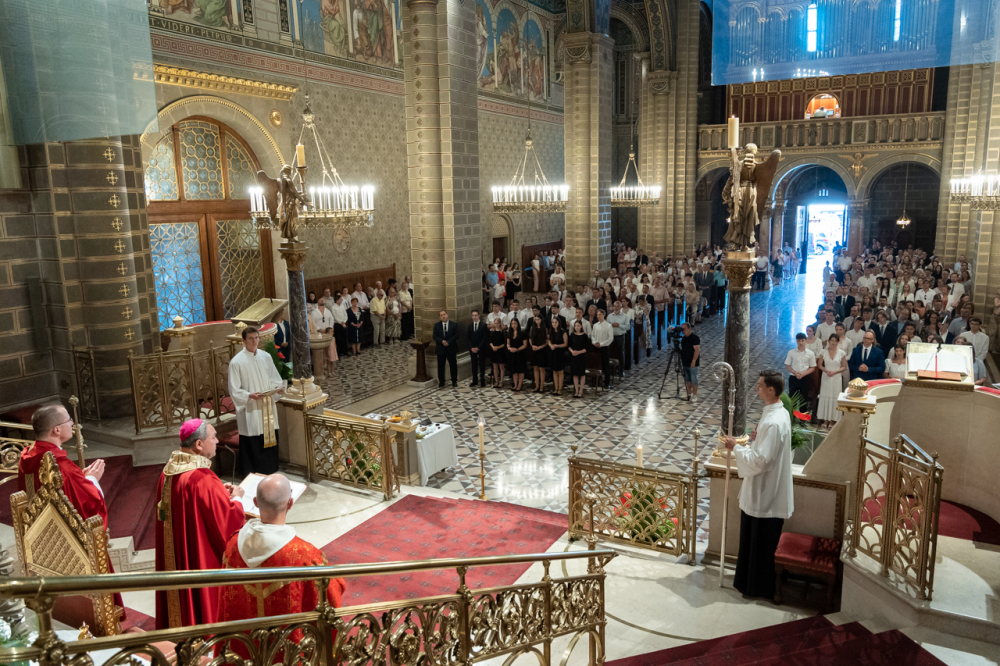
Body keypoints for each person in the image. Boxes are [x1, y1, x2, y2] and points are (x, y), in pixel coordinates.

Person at [217, 474, 346, 659]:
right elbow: (330, 595)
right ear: (290, 503)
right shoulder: (304, 555)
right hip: (286, 653)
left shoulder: (233, 546)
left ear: (255, 502)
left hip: (243, 650)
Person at [155, 419, 246, 628]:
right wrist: (237, 499)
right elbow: (227, 520)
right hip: (198, 554)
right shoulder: (202, 478)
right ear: (198, 444)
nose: (217, 441)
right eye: (213, 437)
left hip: (176, 554)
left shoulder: (167, 472)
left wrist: (219, 493)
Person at [723, 370, 794, 600]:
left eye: (760, 385)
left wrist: (736, 447)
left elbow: (762, 461)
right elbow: (767, 449)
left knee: (759, 544)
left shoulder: (773, 422)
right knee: (757, 542)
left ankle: (756, 587)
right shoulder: (778, 412)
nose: (757, 389)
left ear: (771, 390)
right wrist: (755, 439)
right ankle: (750, 584)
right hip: (767, 489)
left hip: (765, 493)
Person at [229, 327, 285, 475]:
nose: (254, 341)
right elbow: (234, 389)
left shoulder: (266, 356)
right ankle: (252, 473)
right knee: (253, 437)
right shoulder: (237, 362)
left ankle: (270, 469)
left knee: (269, 434)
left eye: (256, 338)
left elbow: (274, 378)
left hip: (267, 405)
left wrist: (277, 389)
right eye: (250, 338)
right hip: (251, 408)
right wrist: (249, 395)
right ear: (243, 340)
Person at [816, 334, 847, 428]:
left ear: (838, 342)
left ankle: (833, 420)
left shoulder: (841, 353)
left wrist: (835, 372)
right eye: (832, 340)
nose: (833, 342)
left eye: (835, 341)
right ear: (828, 341)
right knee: (826, 396)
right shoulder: (823, 352)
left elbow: (844, 367)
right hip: (826, 376)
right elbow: (820, 365)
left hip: (836, 377)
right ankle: (825, 420)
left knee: (834, 397)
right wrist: (826, 371)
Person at [784, 333, 816, 404]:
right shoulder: (791, 352)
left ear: (806, 341)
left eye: (802, 341)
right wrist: (795, 373)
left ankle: (803, 411)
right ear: (796, 341)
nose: (801, 343)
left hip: (805, 378)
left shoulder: (810, 353)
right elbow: (787, 366)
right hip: (793, 377)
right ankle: (792, 411)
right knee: (792, 399)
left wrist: (804, 374)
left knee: (804, 399)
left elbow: (812, 367)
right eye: (799, 341)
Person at [433, 310, 459, 388]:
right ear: (439, 317)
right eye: (441, 315)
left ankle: (454, 381)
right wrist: (442, 341)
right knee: (441, 366)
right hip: (441, 348)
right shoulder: (436, 325)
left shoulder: (454, 324)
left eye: (444, 314)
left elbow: (456, 335)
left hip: (451, 348)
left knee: (453, 365)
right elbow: (435, 336)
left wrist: (448, 342)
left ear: (447, 315)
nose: (443, 316)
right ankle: (441, 382)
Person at [590, 309, 613, 389]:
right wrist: (594, 342)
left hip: (604, 347)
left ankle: (607, 382)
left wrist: (601, 344)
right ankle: (595, 381)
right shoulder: (595, 325)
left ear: (604, 315)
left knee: (605, 365)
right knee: (596, 364)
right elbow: (592, 335)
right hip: (596, 347)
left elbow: (610, 338)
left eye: (600, 314)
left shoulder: (608, 326)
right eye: (597, 314)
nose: (598, 316)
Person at [679, 322, 700, 401]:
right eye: (682, 329)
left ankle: (694, 395)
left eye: (684, 329)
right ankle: (689, 393)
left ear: (689, 328)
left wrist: (693, 361)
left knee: (694, 379)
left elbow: (696, 350)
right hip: (685, 362)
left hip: (693, 362)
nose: (682, 331)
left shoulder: (695, 338)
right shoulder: (683, 339)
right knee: (687, 379)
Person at [568, 320, 589, 398]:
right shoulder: (572, 335)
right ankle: (576, 391)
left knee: (582, 374)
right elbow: (569, 346)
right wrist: (572, 351)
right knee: (575, 374)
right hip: (574, 356)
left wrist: (578, 352)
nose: (577, 327)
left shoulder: (584, 336)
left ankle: (581, 391)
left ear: (581, 326)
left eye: (578, 325)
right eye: (575, 326)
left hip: (581, 356)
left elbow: (586, 348)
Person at [468, 309, 488, 388]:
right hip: (472, 349)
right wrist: (471, 347)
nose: (474, 317)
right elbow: (468, 338)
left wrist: (478, 347)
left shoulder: (483, 325)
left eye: (475, 315)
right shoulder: (470, 326)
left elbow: (484, 337)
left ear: (479, 316)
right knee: (474, 365)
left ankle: (482, 380)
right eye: (473, 315)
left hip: (481, 348)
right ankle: (475, 380)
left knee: (482, 364)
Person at [506, 317, 527, 392]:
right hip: (512, 354)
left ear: (518, 324)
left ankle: (520, 385)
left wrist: (517, 349)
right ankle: (515, 384)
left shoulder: (522, 333)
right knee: (514, 370)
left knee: (520, 370)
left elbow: (525, 345)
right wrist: (509, 348)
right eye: (512, 324)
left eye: (515, 323)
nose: (513, 325)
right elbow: (508, 344)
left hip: (520, 354)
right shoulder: (509, 333)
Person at [548, 317, 568, 396]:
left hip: (560, 353)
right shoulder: (551, 331)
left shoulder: (563, 332)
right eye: (553, 322)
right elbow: (548, 341)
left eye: (556, 322)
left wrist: (557, 346)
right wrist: (551, 345)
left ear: (559, 323)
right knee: (554, 371)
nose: (554, 324)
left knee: (560, 371)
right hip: (553, 352)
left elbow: (565, 344)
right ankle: (556, 388)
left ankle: (560, 388)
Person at [529, 314, 548, 393]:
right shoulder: (532, 328)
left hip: (542, 350)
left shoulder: (545, 329)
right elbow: (530, 338)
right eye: (536, 319)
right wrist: (532, 346)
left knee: (542, 369)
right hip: (534, 349)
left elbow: (546, 341)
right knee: (535, 368)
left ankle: (541, 386)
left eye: (538, 319)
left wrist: (540, 347)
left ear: (541, 320)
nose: (537, 321)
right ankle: (537, 386)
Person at [489, 318, 507, 388]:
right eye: (495, 323)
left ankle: (501, 381)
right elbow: (490, 341)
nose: (496, 325)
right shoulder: (492, 332)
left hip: (501, 351)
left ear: (500, 323)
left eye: (497, 323)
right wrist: (493, 347)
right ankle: (496, 381)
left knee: (501, 367)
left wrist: (498, 347)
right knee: (495, 367)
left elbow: (505, 343)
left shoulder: (503, 332)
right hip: (494, 351)